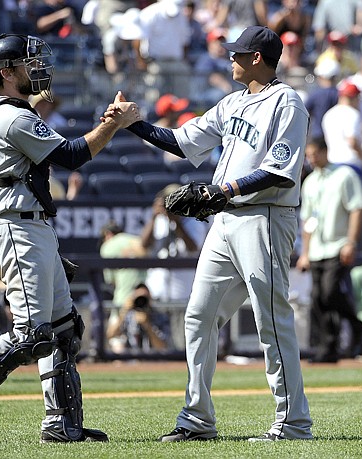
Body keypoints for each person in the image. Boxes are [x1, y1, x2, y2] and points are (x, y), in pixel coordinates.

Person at [0, 33, 139, 445]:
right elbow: (73, 154)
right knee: (32, 335)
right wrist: (114, 122)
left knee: (65, 331)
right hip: (17, 227)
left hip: (32, 225)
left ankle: (60, 424)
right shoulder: (13, 117)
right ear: (6, 73)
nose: (37, 68)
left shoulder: (14, 111)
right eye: (28, 62)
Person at [106, 25, 313, 442]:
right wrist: (135, 125)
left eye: (237, 53)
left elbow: (280, 171)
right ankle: (197, 419)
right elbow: (182, 142)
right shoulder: (232, 102)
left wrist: (223, 189)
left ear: (258, 58)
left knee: (271, 320)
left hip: (265, 218)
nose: (230, 59)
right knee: (198, 316)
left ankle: (292, 422)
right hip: (226, 223)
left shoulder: (287, 102)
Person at [296, 137, 362, 363]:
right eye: (309, 155)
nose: (312, 159)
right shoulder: (310, 182)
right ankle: (329, 347)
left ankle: (354, 327)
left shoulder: (344, 175)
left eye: (315, 154)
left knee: (329, 292)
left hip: (337, 245)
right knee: (317, 298)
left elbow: (356, 209)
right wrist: (304, 253)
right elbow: (307, 221)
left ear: (325, 151)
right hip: (316, 249)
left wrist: (351, 242)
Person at [141, 184, 208, 303]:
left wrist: (177, 223)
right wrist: (153, 217)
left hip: (182, 293)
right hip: (156, 290)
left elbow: (193, 248)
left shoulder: (194, 222)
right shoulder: (159, 220)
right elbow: (144, 244)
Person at [98, 220, 147, 350]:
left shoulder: (108, 246)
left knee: (115, 338)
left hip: (123, 299)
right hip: (145, 297)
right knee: (148, 337)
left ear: (108, 234)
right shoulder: (136, 240)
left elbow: (111, 281)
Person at [106, 283, 172, 353]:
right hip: (131, 359)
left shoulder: (160, 317)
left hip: (153, 360)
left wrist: (147, 325)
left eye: (144, 298)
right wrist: (124, 311)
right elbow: (110, 335)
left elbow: (162, 346)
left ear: (150, 299)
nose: (141, 301)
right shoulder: (128, 316)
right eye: (139, 298)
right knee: (118, 348)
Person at [321, 79, 362, 178]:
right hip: (351, 165)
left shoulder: (329, 114)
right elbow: (352, 141)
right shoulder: (352, 114)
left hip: (332, 164)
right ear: (352, 98)